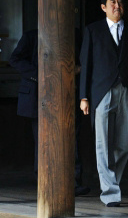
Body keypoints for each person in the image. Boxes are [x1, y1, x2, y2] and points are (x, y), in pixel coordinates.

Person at [79, 0, 128, 207]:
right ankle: (110, 192)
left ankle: (113, 180)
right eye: (112, 1)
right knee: (103, 143)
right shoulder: (93, 31)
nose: (117, 5)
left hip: (127, 90)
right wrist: (83, 96)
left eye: (120, 1)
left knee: (126, 142)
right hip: (101, 92)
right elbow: (86, 64)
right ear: (103, 7)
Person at [9, 29, 90, 196]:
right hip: (39, 95)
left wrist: (77, 69)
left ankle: (74, 183)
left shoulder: (73, 34)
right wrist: (41, 75)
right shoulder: (32, 35)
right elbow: (15, 59)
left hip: (68, 93)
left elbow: (84, 61)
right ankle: (44, 182)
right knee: (42, 140)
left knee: (71, 138)